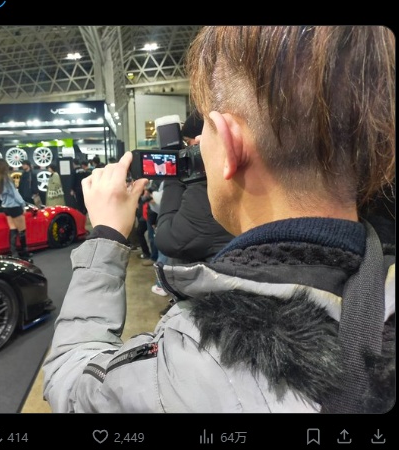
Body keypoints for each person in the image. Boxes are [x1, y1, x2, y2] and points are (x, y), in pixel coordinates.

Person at [42, 26, 395, 413]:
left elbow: (69, 381)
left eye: (205, 132)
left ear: (229, 144)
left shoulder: (188, 361)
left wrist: (106, 237)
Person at [154, 109, 235, 314]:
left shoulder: (208, 189)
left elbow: (169, 239)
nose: (188, 151)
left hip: (212, 307)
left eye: (190, 144)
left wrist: (174, 174)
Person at [0, 158, 32, 261]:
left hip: (6, 207)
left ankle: (14, 253)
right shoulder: (6, 178)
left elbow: (0, 196)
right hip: (14, 207)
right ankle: (25, 253)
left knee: (13, 229)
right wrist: (23, 204)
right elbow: (15, 193)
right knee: (22, 230)